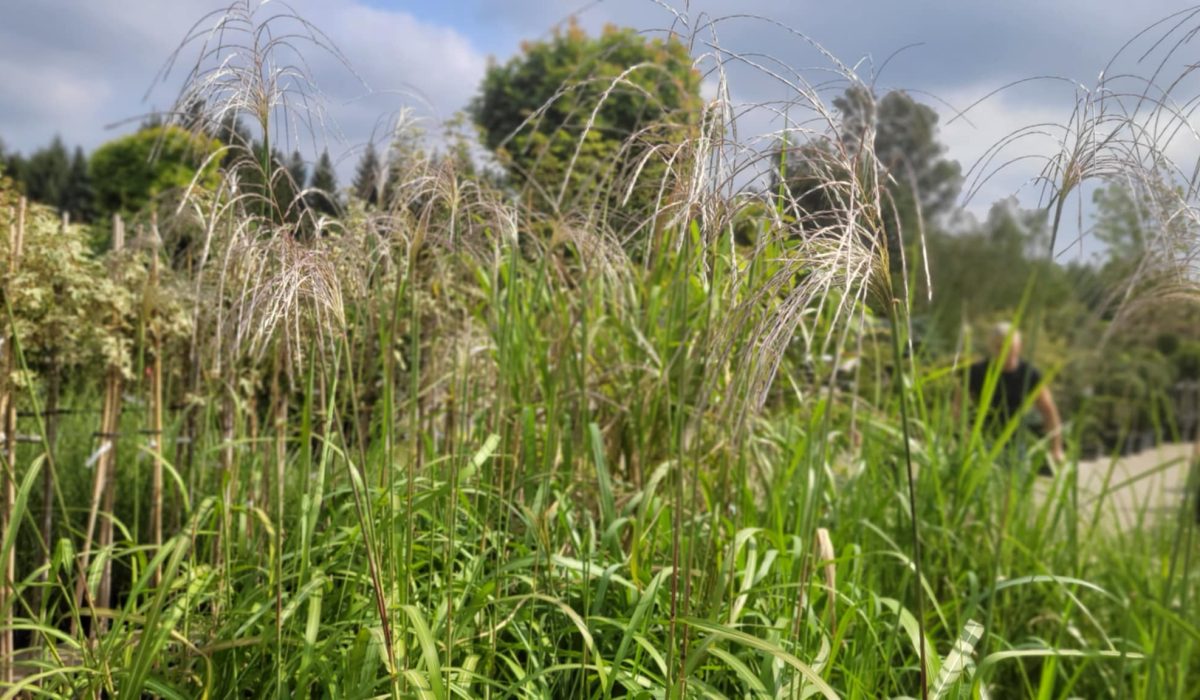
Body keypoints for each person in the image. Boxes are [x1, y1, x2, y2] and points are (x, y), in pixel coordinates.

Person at [957, 322, 1064, 470]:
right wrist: (963, 438)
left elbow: (1049, 411)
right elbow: (957, 409)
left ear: (1018, 347)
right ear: (991, 347)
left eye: (1009, 347)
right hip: (981, 442)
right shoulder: (975, 372)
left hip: (1015, 444)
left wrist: (1056, 448)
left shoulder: (1030, 375)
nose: (1004, 352)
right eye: (999, 347)